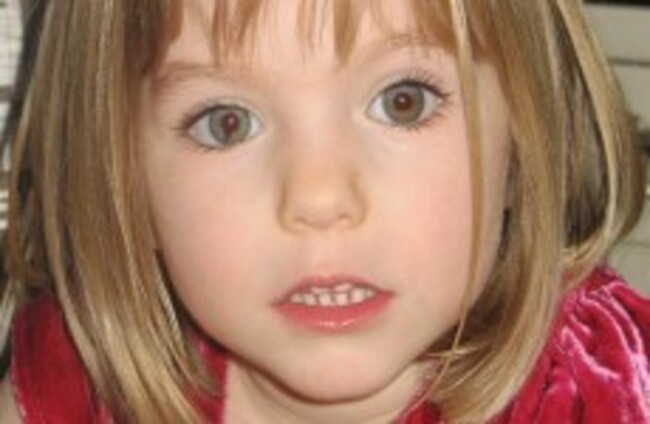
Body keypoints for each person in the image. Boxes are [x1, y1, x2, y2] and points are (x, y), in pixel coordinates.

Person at [0, 0, 648, 422]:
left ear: (526, 138)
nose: (319, 198)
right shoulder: (77, 387)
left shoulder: (607, 385)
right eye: (226, 123)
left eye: (404, 102)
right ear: (122, 184)